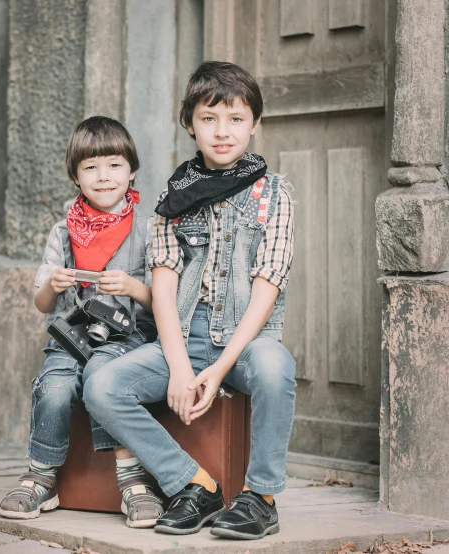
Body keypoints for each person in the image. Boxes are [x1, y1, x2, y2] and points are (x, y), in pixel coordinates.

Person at [83, 61, 296, 539]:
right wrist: (179, 367)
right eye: (209, 118)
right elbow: (162, 287)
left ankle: (260, 497)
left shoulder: (274, 195)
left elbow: (268, 284)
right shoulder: (172, 199)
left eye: (236, 119)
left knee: (275, 366)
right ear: (189, 123)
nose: (223, 132)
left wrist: (219, 370)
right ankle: (194, 486)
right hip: (182, 338)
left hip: (242, 343)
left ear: (255, 124)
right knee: (102, 387)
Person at [0, 116, 163, 528]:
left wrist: (131, 286)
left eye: (114, 165)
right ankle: (41, 475)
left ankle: (131, 479)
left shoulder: (150, 229)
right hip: (69, 338)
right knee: (54, 386)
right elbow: (41, 304)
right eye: (90, 167)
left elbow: (165, 304)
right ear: (75, 175)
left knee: (102, 378)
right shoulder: (62, 231)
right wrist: (53, 285)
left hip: (126, 339)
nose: (103, 177)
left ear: (132, 170)